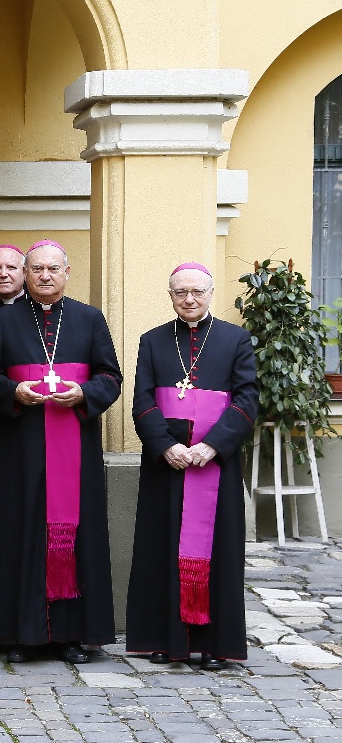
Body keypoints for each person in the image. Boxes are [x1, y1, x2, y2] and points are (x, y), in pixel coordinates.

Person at [0, 239, 122, 665]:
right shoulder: (3, 321)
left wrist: (84, 392)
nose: (45, 275)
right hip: (19, 449)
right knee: (21, 534)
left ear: (67, 272)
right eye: (37, 268)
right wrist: (12, 391)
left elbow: (111, 377)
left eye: (53, 268)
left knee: (77, 536)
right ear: (25, 273)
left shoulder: (90, 318)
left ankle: (74, 634)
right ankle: (22, 634)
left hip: (74, 447)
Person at [126, 262, 258, 670]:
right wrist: (165, 446)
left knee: (216, 554)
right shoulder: (152, 341)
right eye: (180, 292)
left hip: (213, 465)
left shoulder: (236, 340)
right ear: (170, 296)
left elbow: (246, 399)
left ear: (210, 292)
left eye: (196, 292)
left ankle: (213, 644)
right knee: (162, 549)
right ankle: (165, 641)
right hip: (168, 466)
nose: (189, 299)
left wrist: (212, 446)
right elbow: (143, 401)